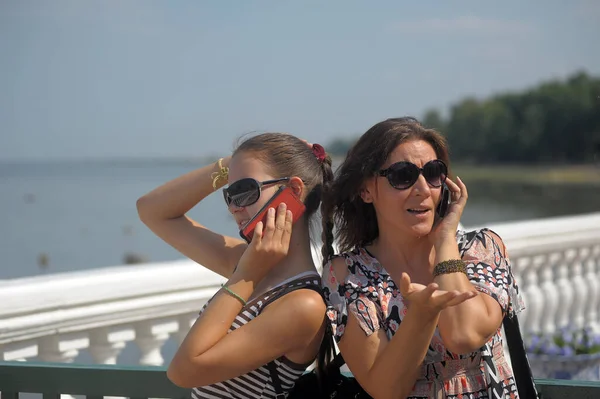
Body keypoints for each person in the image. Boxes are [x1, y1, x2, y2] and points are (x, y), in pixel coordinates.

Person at [320, 117, 525, 399]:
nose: (423, 188)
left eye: (432, 172)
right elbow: (386, 389)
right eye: (402, 175)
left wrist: (444, 242)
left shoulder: (482, 249)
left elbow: (464, 334)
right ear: (365, 190)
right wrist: (421, 315)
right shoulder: (346, 274)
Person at [136, 132, 334, 398]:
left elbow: (183, 372)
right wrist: (232, 165)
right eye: (230, 195)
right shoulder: (248, 263)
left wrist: (247, 274)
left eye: (244, 192)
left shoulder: (302, 304)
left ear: (294, 191)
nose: (233, 208)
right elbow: (151, 210)